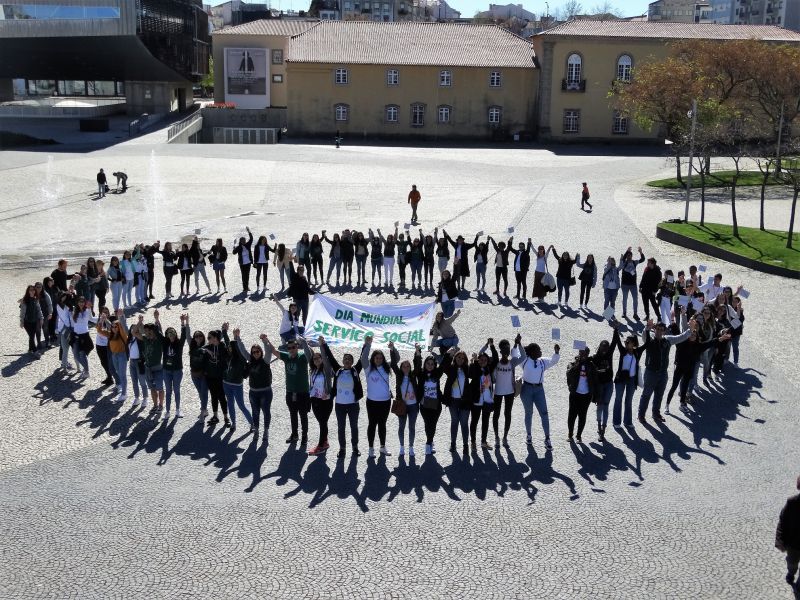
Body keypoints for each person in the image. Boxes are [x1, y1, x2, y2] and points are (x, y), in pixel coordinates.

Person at [637, 313, 693, 423]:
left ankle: (656, 414)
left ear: (664, 331)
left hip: (663, 373)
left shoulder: (668, 340)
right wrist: (647, 328)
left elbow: (680, 337)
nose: (659, 331)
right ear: (654, 329)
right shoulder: (650, 339)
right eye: (657, 329)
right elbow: (644, 336)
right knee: (646, 394)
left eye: (661, 330)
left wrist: (690, 330)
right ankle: (641, 415)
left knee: (659, 395)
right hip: (651, 372)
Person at [321, 340, 365, 459]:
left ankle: (355, 447)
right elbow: (330, 357)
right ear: (342, 361)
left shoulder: (355, 370)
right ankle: (342, 449)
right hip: (339, 405)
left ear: (352, 362)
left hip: (353, 405)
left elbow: (362, 358)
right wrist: (323, 344)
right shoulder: (338, 370)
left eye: (349, 359)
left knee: (354, 427)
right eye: (345, 359)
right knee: (341, 428)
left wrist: (365, 345)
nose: (347, 360)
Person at [268, 336, 311, 444]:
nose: (291, 349)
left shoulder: (302, 357)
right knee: (293, 414)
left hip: (303, 392)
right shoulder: (287, 357)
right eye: (289, 348)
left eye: (293, 347)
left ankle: (304, 436)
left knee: (303, 415)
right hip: (290, 392)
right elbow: (274, 351)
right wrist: (266, 340)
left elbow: (311, 355)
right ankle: (294, 435)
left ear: (297, 347)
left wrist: (304, 343)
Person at [518, 340, 560, 450]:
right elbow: (519, 353)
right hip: (526, 389)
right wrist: (518, 343)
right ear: (532, 352)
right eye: (538, 350)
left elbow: (553, 361)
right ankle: (529, 435)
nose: (541, 352)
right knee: (528, 413)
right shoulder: (524, 360)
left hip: (539, 390)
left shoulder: (542, 362)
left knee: (544, 413)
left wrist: (556, 352)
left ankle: (547, 438)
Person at [361, 335, 393, 457]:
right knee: (372, 424)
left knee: (382, 424)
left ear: (383, 359)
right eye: (376, 358)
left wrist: (392, 348)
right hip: (372, 402)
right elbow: (363, 358)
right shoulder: (368, 368)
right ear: (373, 359)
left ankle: (382, 447)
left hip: (385, 401)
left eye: (380, 358)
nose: (378, 360)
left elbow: (396, 359)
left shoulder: (386, 366)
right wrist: (368, 344)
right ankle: (371, 448)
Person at [302, 336, 334, 456]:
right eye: (314, 359)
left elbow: (325, 358)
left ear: (321, 359)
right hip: (315, 400)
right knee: (322, 422)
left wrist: (321, 344)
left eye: (318, 358)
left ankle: (320, 446)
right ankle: (325, 442)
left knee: (323, 422)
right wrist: (303, 342)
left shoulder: (327, 370)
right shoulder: (313, 369)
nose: (316, 360)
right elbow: (308, 354)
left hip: (326, 400)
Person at [492, 334, 524, 448]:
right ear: (500, 351)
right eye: (504, 349)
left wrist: (519, 344)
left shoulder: (512, 362)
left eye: (508, 349)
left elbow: (523, 356)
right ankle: (496, 437)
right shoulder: (496, 362)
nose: (506, 351)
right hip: (497, 392)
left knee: (507, 414)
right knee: (496, 414)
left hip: (510, 392)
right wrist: (489, 345)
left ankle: (505, 437)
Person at [390, 342, 422, 456]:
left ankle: (411, 447)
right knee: (401, 427)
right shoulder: (399, 375)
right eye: (404, 366)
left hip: (413, 405)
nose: (406, 368)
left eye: (408, 366)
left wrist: (417, 351)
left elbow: (418, 365)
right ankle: (402, 447)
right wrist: (392, 349)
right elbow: (393, 364)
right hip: (402, 405)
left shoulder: (413, 375)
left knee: (412, 427)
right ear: (401, 368)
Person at [221, 324, 253, 432]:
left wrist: (237, 337)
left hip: (237, 385)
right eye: (228, 348)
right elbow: (227, 342)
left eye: (231, 347)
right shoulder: (228, 356)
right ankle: (234, 423)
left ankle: (252, 423)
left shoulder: (241, 358)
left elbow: (241, 348)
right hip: (226, 383)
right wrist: (224, 331)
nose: (229, 349)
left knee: (241, 405)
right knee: (230, 404)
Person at [469, 340, 499, 450]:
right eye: (481, 360)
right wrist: (474, 361)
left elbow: (496, 358)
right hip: (477, 400)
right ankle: (473, 442)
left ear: (487, 361)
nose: (483, 361)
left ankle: (483, 441)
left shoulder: (489, 369)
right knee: (474, 421)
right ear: (478, 360)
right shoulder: (474, 368)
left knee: (485, 422)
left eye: (485, 360)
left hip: (487, 400)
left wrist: (491, 346)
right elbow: (471, 374)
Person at [443, 349, 471, 454]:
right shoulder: (450, 369)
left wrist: (475, 361)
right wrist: (448, 354)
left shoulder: (467, 369)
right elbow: (443, 366)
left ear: (465, 360)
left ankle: (465, 445)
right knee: (454, 422)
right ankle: (453, 444)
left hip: (465, 400)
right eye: (458, 357)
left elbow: (474, 373)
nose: (460, 359)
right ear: (455, 358)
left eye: (462, 358)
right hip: (453, 400)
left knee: (464, 423)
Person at [566, 347, 597, 441]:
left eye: (584, 354)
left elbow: (595, 380)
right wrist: (578, 364)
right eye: (581, 353)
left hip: (586, 395)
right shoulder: (573, 363)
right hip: (574, 394)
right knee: (572, 415)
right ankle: (570, 434)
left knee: (582, 415)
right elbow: (569, 374)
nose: (582, 355)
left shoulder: (591, 365)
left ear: (587, 354)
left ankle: (579, 435)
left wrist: (595, 395)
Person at [775, 475, 800, 593]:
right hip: (793, 543)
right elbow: (783, 520)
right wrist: (780, 539)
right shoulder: (792, 502)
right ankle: (791, 573)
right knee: (792, 563)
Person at [161, 316, 189, 418]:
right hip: (166, 370)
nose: (171, 336)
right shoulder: (165, 344)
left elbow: (184, 335)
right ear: (167, 335)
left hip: (177, 370)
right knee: (168, 391)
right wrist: (157, 320)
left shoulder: (179, 344)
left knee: (176, 390)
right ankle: (167, 411)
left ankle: (177, 410)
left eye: (173, 334)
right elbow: (158, 333)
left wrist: (183, 323)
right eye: (169, 334)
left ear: (175, 334)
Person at [202, 329, 229, 427]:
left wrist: (224, 332)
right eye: (208, 337)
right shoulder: (208, 347)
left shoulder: (222, 346)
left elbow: (228, 347)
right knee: (213, 396)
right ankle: (215, 416)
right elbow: (197, 351)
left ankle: (226, 417)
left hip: (220, 377)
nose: (208, 339)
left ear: (215, 338)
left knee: (222, 397)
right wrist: (206, 350)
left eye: (209, 337)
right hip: (210, 377)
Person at [250, 335, 275, 443]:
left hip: (265, 392)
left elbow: (269, 352)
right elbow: (242, 351)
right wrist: (237, 338)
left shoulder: (266, 361)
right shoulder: (250, 361)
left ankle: (266, 431)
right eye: (254, 352)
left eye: (257, 351)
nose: (256, 353)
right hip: (253, 392)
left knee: (266, 412)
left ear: (261, 352)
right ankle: (256, 430)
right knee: (255, 413)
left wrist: (265, 341)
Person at [591, 338, 615, 441]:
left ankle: (603, 429)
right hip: (599, 385)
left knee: (606, 406)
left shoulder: (609, 355)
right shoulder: (595, 357)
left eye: (606, 347)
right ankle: (598, 426)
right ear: (599, 347)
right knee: (600, 406)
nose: (604, 349)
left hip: (609, 384)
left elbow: (614, 342)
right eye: (603, 346)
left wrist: (616, 331)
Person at [127, 319, 150, 408]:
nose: (134, 330)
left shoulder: (141, 339)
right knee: (134, 381)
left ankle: (145, 398)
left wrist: (140, 323)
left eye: (135, 329)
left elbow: (144, 331)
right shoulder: (129, 339)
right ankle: (137, 397)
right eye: (132, 329)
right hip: (132, 362)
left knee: (142, 381)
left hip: (139, 362)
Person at [188, 325, 209, 420]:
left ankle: (202, 411)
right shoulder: (192, 346)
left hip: (204, 374)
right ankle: (205, 410)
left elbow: (216, 340)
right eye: (196, 336)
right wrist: (186, 323)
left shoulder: (206, 346)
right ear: (194, 338)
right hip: (194, 374)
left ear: (203, 337)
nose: (198, 337)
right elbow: (187, 335)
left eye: (200, 335)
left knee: (204, 392)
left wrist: (223, 330)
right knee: (201, 393)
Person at [619, 246, 645, 319]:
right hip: (625, 285)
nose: (629, 257)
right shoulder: (624, 263)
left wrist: (641, 252)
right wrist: (627, 251)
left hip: (633, 285)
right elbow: (622, 259)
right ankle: (624, 313)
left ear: (632, 256)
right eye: (628, 256)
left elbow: (642, 259)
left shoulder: (634, 262)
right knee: (625, 299)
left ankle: (635, 314)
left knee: (635, 299)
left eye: (630, 255)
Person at [93, 307, 115, 386]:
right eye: (103, 312)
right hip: (99, 344)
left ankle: (112, 377)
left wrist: (106, 319)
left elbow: (111, 328)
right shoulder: (99, 320)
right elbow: (97, 328)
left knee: (109, 362)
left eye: (106, 312)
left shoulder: (111, 320)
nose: (105, 314)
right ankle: (109, 376)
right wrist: (101, 320)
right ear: (100, 313)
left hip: (108, 345)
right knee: (103, 362)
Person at [19, 285, 43, 355]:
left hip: (35, 321)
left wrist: (41, 318)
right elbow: (22, 312)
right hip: (27, 322)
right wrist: (21, 321)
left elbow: (39, 310)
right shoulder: (25, 301)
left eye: (33, 290)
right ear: (28, 291)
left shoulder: (36, 299)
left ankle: (30, 349)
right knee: (31, 336)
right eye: (30, 290)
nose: (32, 291)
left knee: (31, 335)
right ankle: (35, 351)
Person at [639, 257, 662, 321]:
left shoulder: (657, 271)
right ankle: (647, 316)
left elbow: (659, 283)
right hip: (644, 290)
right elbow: (643, 278)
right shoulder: (646, 269)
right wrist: (640, 286)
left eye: (648, 262)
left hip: (652, 291)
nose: (647, 263)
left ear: (652, 263)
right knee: (645, 304)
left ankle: (659, 316)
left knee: (654, 304)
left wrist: (655, 291)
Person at [232, 227, 254, 293]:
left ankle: (247, 287)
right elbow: (234, 253)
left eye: (244, 240)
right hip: (242, 263)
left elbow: (251, 239)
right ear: (240, 241)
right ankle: (244, 288)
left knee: (247, 275)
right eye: (243, 240)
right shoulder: (239, 247)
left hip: (248, 262)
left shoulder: (248, 245)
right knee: (243, 275)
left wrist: (249, 231)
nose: (244, 241)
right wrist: (234, 246)